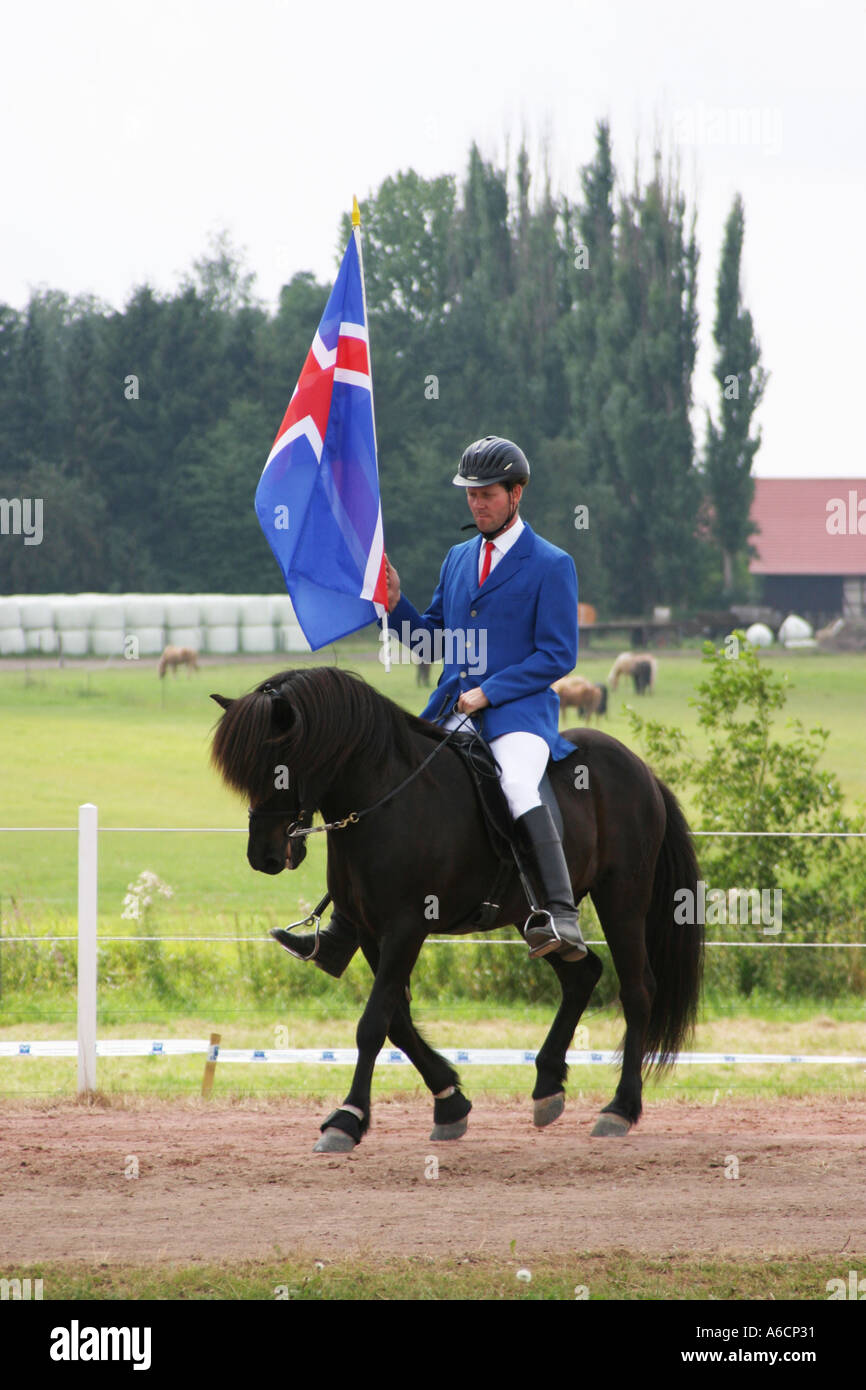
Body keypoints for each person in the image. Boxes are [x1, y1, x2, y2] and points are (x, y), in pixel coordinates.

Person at [293, 436, 586, 977]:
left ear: (516, 493)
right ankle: (342, 929)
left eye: (488, 494)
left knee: (519, 785)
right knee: (383, 782)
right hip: (450, 708)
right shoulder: (457, 559)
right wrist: (394, 603)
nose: (477, 503)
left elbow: (558, 654)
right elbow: (432, 643)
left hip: (517, 715)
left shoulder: (551, 563)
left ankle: (560, 914)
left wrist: (491, 690)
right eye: (471, 494)